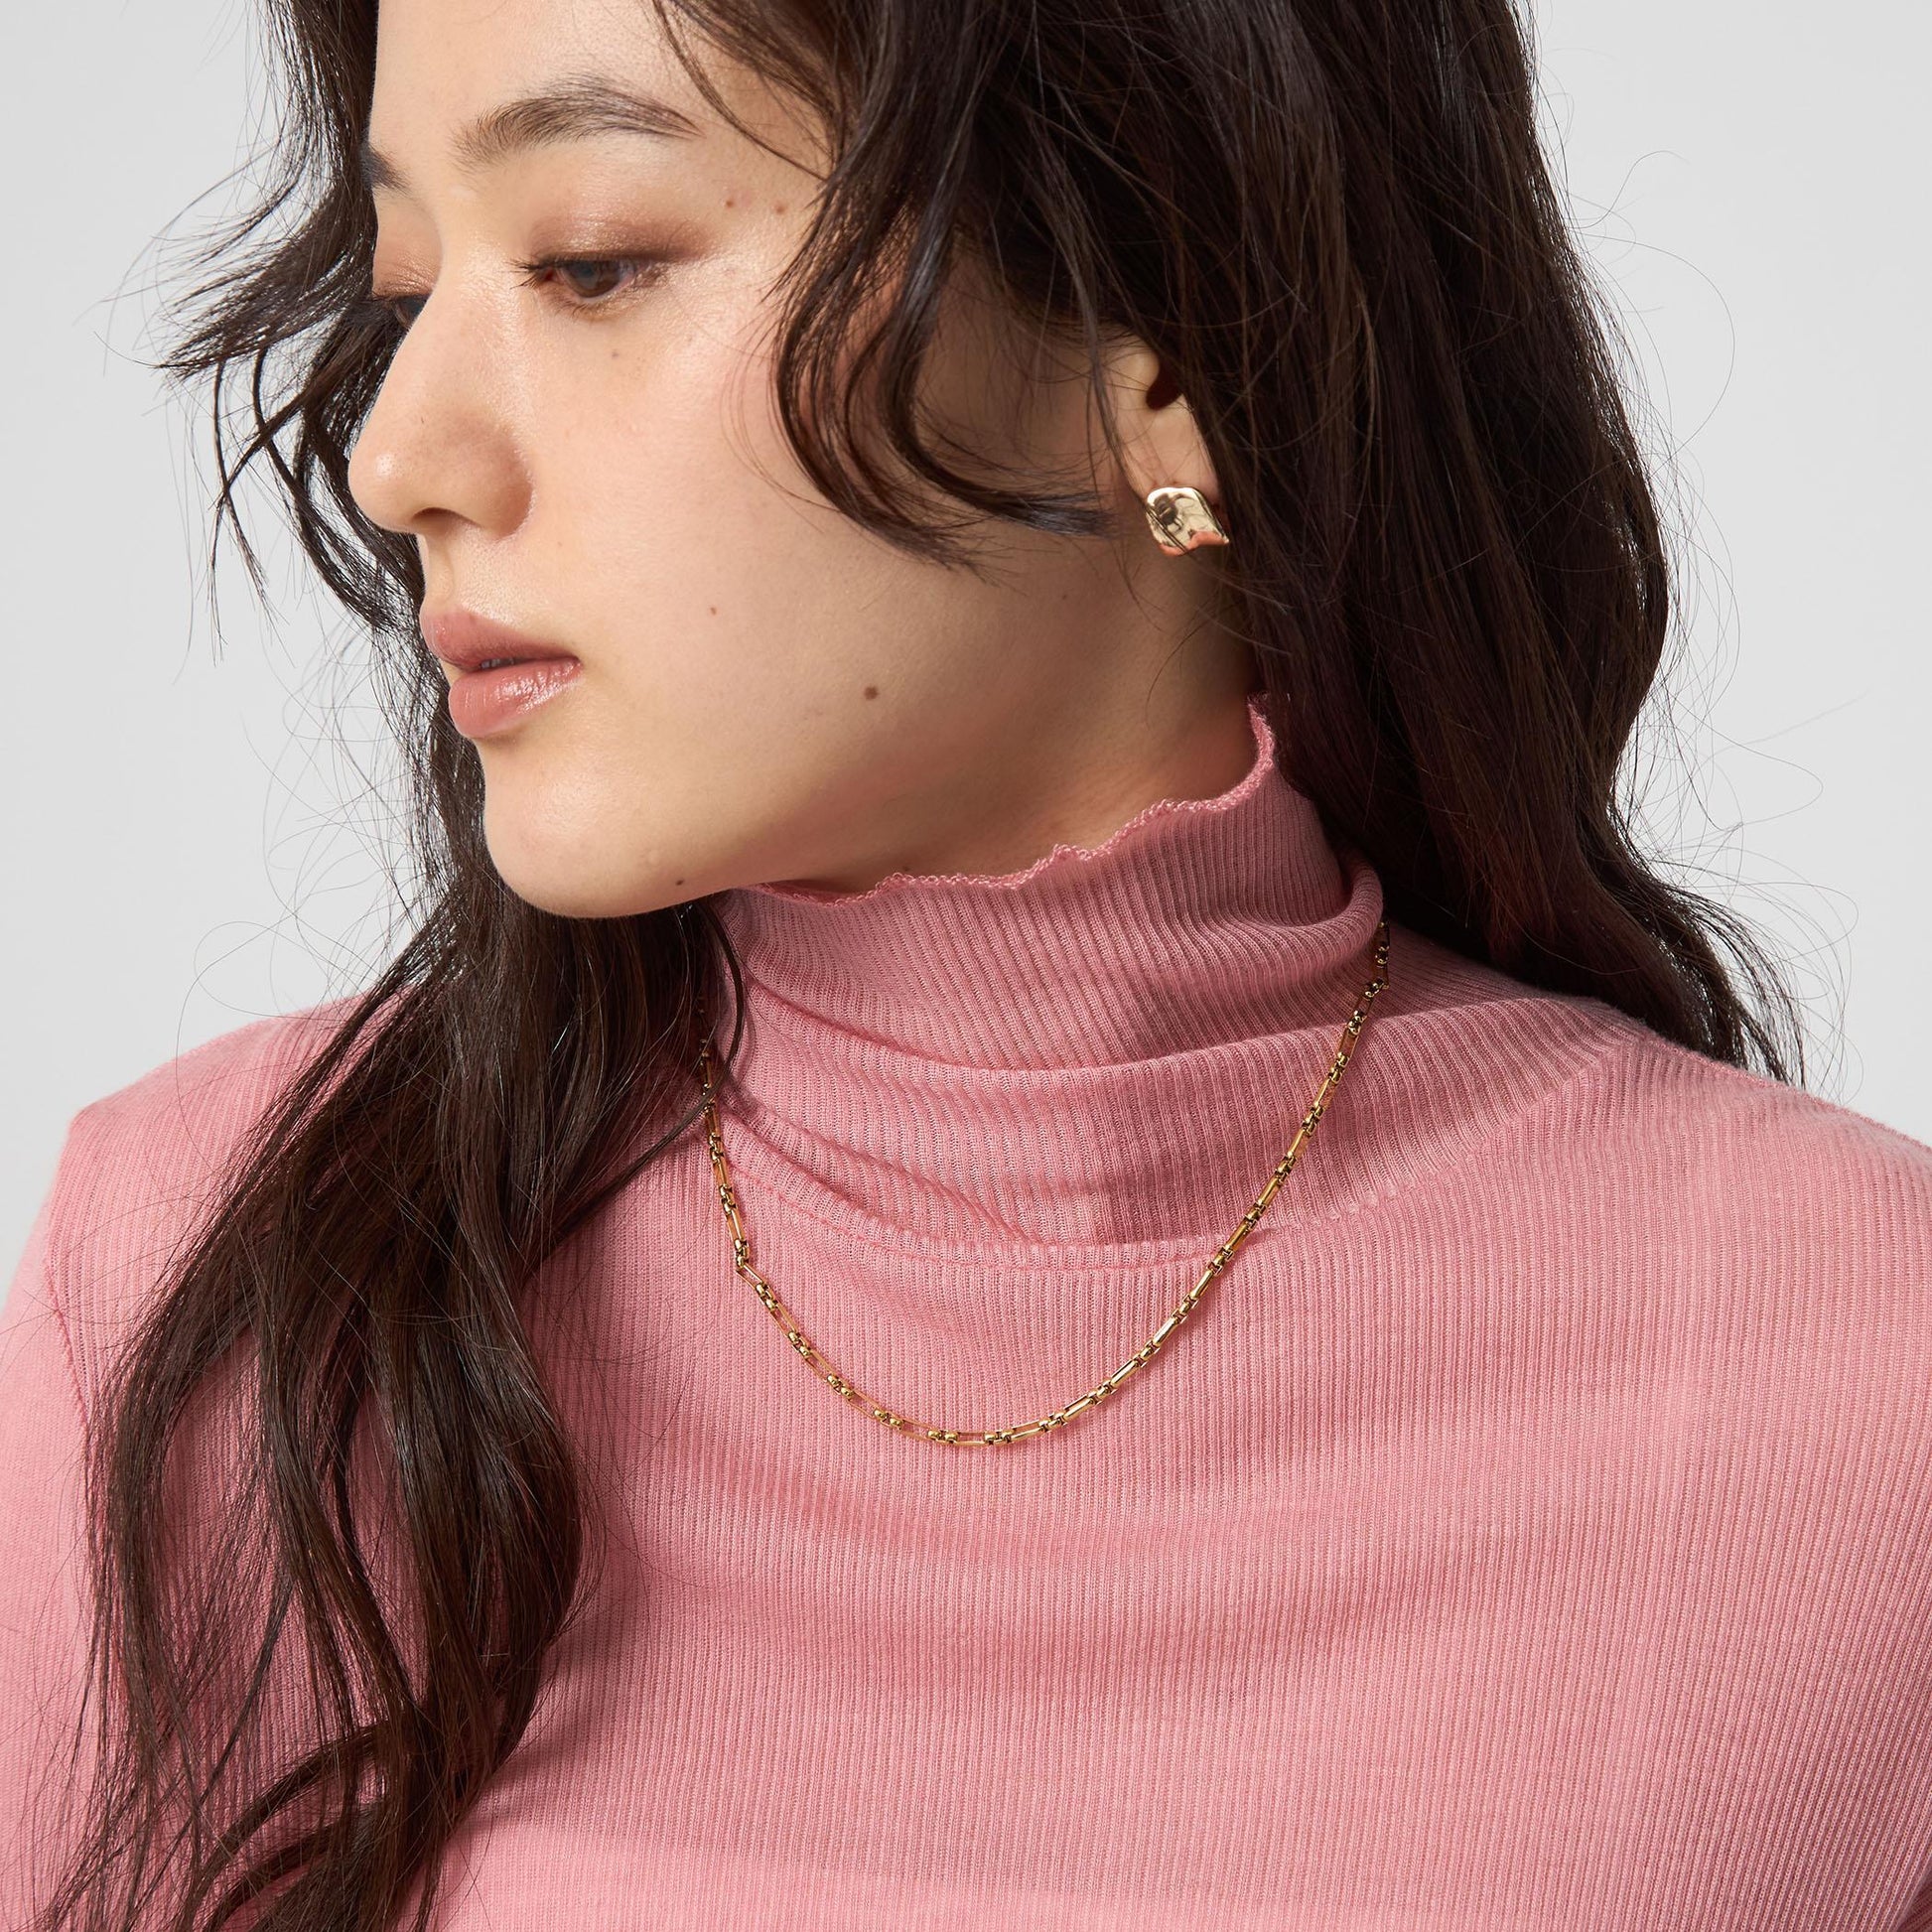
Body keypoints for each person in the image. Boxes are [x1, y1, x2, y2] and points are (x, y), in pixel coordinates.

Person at [5, 0, 1932, 1925]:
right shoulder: (211, 1294)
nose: (396, 456)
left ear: (1159, 337)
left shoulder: (1857, 1389)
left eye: (592, 264)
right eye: (409, 288)